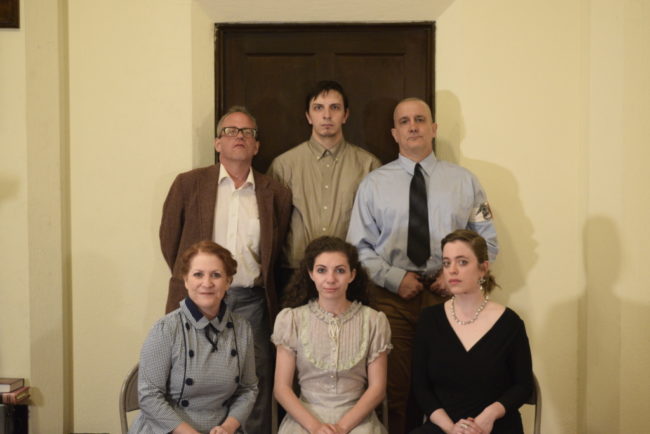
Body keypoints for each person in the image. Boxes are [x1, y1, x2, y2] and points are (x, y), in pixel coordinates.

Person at [346, 98, 498, 434]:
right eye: (404, 121)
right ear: (394, 133)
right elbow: (358, 248)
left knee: (451, 389)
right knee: (393, 390)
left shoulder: (464, 182)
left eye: (420, 119)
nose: (412, 126)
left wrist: (452, 274)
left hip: (452, 300)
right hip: (391, 300)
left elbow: (487, 242)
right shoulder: (373, 184)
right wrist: (394, 277)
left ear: (434, 129)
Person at [159, 106, 292, 434]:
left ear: (256, 146)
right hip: (198, 300)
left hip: (252, 302)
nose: (239, 137)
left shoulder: (275, 192)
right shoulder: (188, 185)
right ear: (218, 142)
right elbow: (170, 241)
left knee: (256, 379)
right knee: (190, 375)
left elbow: (274, 252)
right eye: (231, 131)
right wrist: (196, 283)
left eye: (247, 132)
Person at [411, 230, 533, 434]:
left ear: (483, 268)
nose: (452, 270)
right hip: (444, 426)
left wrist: (489, 415)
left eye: (462, 262)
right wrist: (451, 428)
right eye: (447, 263)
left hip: (494, 426)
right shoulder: (429, 319)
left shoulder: (510, 323)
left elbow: (523, 386)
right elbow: (421, 387)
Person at [129, 240, 257, 434]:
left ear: (228, 281)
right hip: (168, 429)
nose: (207, 283)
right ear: (186, 280)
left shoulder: (242, 328)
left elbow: (248, 389)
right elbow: (149, 396)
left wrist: (228, 427)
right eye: (198, 274)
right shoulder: (165, 329)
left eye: (216, 275)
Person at [272, 236, 392, 434]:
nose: (330, 279)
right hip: (305, 419)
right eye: (321, 270)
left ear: (352, 275)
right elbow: (282, 389)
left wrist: (342, 428)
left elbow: (377, 389)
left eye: (340, 270)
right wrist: (316, 428)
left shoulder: (374, 321)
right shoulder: (291, 320)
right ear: (310, 274)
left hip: (357, 419)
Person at [267, 80, 381, 284]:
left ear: (345, 115)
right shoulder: (283, 165)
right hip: (295, 272)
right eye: (318, 108)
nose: (327, 115)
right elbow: (271, 225)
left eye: (334, 108)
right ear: (308, 116)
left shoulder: (368, 165)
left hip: (349, 273)